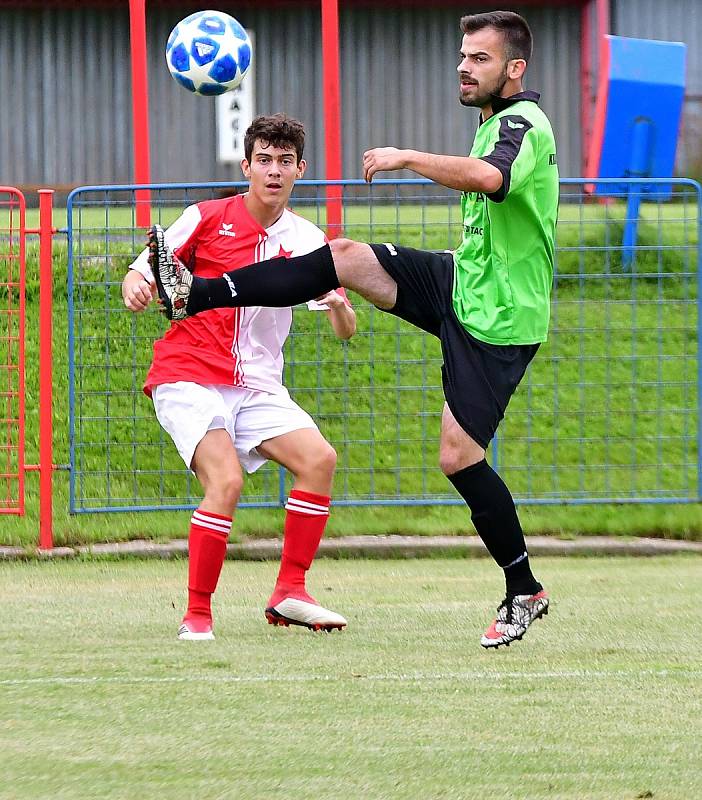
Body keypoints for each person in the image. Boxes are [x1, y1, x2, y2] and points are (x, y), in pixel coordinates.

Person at [149, 11, 558, 649]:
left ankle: (523, 587)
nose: (462, 66)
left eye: (478, 58)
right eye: (462, 54)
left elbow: (492, 180)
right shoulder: (491, 122)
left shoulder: (521, 124)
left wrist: (406, 158)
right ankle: (197, 292)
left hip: (501, 317)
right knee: (343, 256)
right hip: (464, 283)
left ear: (515, 70)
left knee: (458, 457)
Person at [122, 113, 356, 640]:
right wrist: (135, 284)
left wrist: (336, 302)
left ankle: (289, 594)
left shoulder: (308, 239)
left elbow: (346, 329)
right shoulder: (205, 216)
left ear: (301, 170)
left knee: (319, 460)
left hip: (257, 385)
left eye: (285, 162)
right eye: (265, 161)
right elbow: (143, 269)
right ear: (247, 166)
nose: (274, 171)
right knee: (225, 481)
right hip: (188, 374)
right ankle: (197, 615)